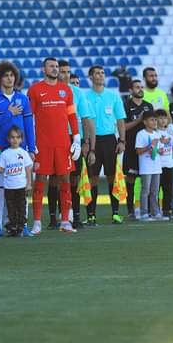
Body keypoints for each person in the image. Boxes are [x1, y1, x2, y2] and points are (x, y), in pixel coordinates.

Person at [26, 58, 81, 234]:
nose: (55, 69)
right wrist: (31, 144)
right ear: (44, 69)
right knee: (40, 181)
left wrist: (77, 139)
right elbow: (29, 118)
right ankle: (36, 222)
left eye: (57, 66)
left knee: (65, 180)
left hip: (63, 144)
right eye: (52, 66)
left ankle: (65, 221)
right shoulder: (35, 90)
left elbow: (72, 116)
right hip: (43, 145)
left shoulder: (66, 90)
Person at [0, 61, 35, 238]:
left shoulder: (23, 98)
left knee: (20, 188)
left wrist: (31, 148)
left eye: (12, 75)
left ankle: (22, 225)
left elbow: (28, 124)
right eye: (5, 75)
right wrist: (9, 113)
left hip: (19, 149)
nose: (9, 78)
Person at [83, 65, 126, 225]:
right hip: (92, 140)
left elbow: (120, 119)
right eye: (97, 73)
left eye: (102, 73)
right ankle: (91, 215)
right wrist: (85, 142)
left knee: (112, 177)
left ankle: (115, 213)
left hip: (109, 140)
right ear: (91, 77)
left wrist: (122, 140)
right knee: (92, 178)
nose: (101, 75)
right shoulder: (85, 96)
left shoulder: (113, 96)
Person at [58, 60, 96, 229]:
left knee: (75, 177)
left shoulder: (78, 93)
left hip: (75, 139)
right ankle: (58, 216)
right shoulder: (49, 91)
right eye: (63, 72)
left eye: (68, 72)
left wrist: (86, 142)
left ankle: (75, 215)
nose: (66, 75)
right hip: (56, 138)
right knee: (57, 178)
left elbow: (85, 119)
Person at [0, 126, 34, 237]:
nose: (15, 140)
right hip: (9, 187)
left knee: (21, 207)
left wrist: (29, 183)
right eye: (12, 137)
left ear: (21, 139)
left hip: (21, 186)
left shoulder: (23, 152)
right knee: (10, 208)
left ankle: (22, 227)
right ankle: (12, 228)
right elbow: (1, 168)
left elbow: (28, 168)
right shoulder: (5, 154)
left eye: (17, 137)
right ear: (8, 139)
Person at [123, 79, 153, 219]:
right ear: (130, 90)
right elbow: (123, 127)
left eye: (141, 87)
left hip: (147, 149)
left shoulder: (149, 106)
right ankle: (130, 210)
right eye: (137, 87)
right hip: (131, 147)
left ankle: (148, 209)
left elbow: (154, 126)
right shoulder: (126, 105)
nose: (140, 89)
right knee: (131, 178)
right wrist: (139, 120)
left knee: (148, 179)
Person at [134, 111, 164, 221]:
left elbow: (158, 151)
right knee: (145, 190)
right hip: (146, 167)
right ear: (145, 122)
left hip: (156, 166)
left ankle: (155, 213)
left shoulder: (157, 134)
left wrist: (160, 150)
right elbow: (138, 151)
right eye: (152, 120)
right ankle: (144, 213)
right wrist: (150, 146)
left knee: (155, 191)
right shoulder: (141, 134)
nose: (155, 122)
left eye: (155, 120)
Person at [155, 109, 173, 218]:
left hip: (169, 165)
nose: (163, 121)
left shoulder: (169, 131)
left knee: (168, 189)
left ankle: (167, 210)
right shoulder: (154, 132)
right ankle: (155, 210)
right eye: (160, 118)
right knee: (156, 189)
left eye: (164, 118)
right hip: (158, 166)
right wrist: (161, 142)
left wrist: (167, 140)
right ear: (155, 120)